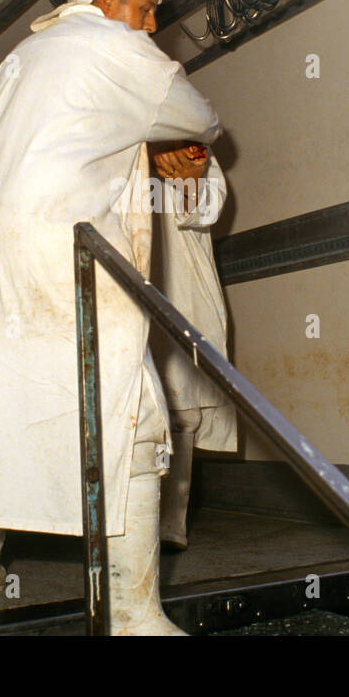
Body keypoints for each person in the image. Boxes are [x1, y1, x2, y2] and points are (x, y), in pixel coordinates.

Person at [0, 0, 221, 635]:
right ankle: (133, 613)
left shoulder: (20, 59)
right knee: (134, 412)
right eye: (144, 7)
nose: (152, 23)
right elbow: (200, 117)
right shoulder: (115, 47)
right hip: (65, 245)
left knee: (7, 401)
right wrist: (176, 143)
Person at [149, 148, 238, 551]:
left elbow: (206, 209)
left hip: (178, 289)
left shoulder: (189, 148)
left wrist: (188, 183)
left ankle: (171, 524)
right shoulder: (112, 139)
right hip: (120, 286)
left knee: (181, 410)